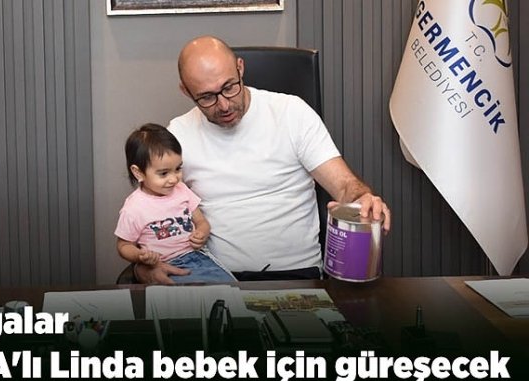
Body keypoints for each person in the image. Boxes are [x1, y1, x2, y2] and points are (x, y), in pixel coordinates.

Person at [136, 35, 392, 284]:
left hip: (296, 276)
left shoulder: (291, 113)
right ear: (186, 91)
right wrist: (143, 266)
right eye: (207, 97)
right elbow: (151, 212)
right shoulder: (178, 135)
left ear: (240, 68)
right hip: (216, 278)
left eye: (229, 87)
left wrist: (363, 200)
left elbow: (345, 186)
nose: (224, 105)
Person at [115, 123, 236, 283]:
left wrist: (202, 232)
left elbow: (201, 221)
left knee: (230, 289)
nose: (174, 179)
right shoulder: (134, 208)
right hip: (163, 264)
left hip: (198, 257)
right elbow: (124, 246)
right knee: (189, 296)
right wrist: (140, 256)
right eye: (164, 173)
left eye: (178, 169)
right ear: (138, 172)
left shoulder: (182, 190)